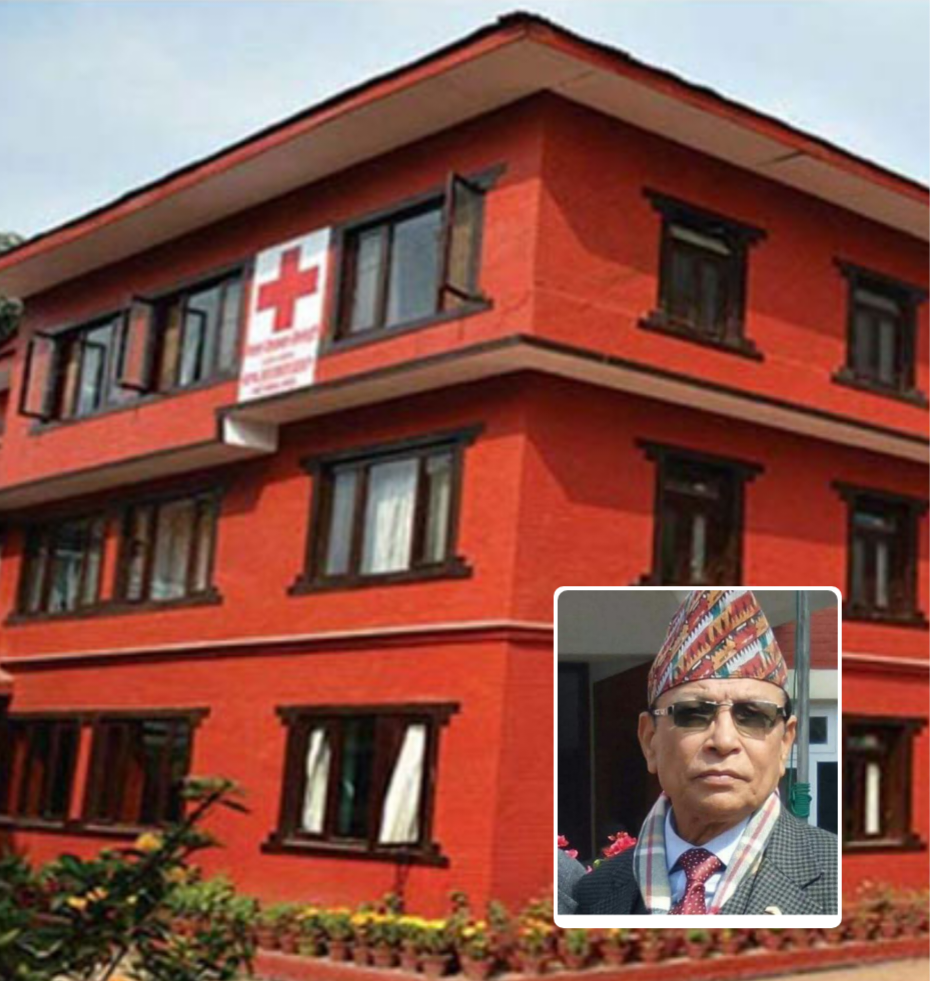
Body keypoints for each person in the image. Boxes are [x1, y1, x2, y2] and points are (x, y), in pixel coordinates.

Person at [575, 589, 837, 916]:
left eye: (753, 715)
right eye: (693, 714)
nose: (724, 740)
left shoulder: (840, 880)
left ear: (785, 743)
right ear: (650, 740)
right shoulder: (593, 894)